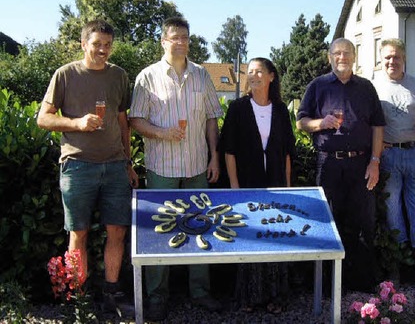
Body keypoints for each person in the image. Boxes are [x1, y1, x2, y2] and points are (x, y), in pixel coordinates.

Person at [36, 19, 139, 314]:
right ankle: (78, 300)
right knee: (78, 233)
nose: (102, 50)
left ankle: (111, 296)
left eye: (107, 45)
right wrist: (77, 123)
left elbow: (123, 123)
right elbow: (43, 118)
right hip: (77, 166)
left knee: (117, 231)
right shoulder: (65, 74)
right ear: (83, 44)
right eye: (96, 44)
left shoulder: (119, 76)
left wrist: (129, 163)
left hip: (116, 166)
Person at [129, 17, 223, 321]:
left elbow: (212, 118)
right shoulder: (147, 77)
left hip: (197, 164)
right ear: (163, 41)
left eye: (184, 37)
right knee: (161, 230)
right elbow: (135, 121)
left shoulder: (202, 76)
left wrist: (214, 156)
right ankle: (157, 296)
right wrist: (161, 132)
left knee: (202, 229)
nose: (180, 42)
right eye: (174, 37)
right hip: (162, 167)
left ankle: (200, 292)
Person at [296, 38, 386, 291]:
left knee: (362, 223)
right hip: (329, 165)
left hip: (361, 164)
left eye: (347, 53)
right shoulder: (318, 86)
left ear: (354, 56)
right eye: (337, 53)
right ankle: (326, 286)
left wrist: (375, 162)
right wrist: (319, 124)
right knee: (327, 223)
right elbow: (301, 122)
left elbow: (378, 126)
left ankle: (361, 282)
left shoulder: (366, 88)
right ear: (329, 57)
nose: (342, 57)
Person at [220, 57, 296, 313]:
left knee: (274, 239)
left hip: (275, 185)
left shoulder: (282, 109)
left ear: (271, 76)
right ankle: (248, 298)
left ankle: (276, 297)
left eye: (259, 71)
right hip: (246, 184)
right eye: (250, 72)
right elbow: (228, 151)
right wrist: (234, 186)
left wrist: (286, 187)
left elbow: (287, 153)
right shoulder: (238, 108)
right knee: (250, 239)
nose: (254, 76)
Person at [372, 38, 415, 285]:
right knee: (391, 212)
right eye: (387, 57)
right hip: (388, 155)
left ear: (404, 58)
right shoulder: (373, 86)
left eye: (396, 57)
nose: (392, 61)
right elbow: (370, 123)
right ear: (381, 59)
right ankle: (396, 265)